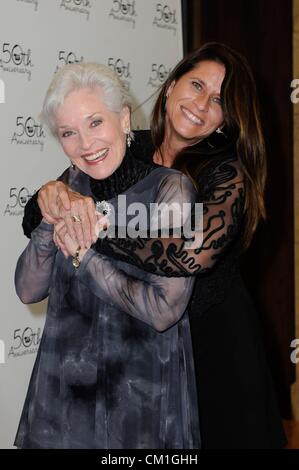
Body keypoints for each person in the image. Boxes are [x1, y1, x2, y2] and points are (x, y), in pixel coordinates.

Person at [22, 43, 286, 449]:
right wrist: (55, 195)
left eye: (217, 100)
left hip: (211, 340)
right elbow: (37, 215)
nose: (200, 102)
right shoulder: (128, 145)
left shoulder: (225, 172)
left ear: (225, 119)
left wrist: (94, 225)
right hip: (142, 351)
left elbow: (184, 255)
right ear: (171, 86)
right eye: (196, 84)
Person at [14, 62, 201, 449]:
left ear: (125, 118)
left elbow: (163, 311)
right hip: (63, 400)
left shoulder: (172, 191)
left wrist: (85, 256)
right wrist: (49, 221)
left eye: (95, 122)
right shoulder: (69, 186)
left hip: (141, 403)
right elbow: (27, 290)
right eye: (69, 132)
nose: (85, 144)